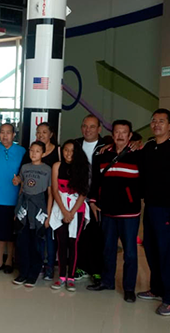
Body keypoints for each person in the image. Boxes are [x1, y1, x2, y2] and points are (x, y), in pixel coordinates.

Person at [138, 109, 170, 316]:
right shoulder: (150, 146)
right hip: (150, 207)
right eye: (154, 121)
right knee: (151, 250)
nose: (156, 124)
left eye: (161, 121)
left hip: (169, 209)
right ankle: (157, 289)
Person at [86, 120, 142, 303]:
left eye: (124, 132)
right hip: (108, 211)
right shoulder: (102, 154)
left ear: (130, 135)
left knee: (130, 253)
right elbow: (95, 181)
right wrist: (93, 202)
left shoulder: (138, 154)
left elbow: (146, 180)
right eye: (117, 132)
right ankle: (107, 281)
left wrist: (134, 196)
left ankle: (129, 288)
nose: (120, 135)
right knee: (108, 249)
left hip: (129, 213)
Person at [49, 140, 91, 292]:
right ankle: (61, 276)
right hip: (60, 208)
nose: (68, 154)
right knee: (62, 243)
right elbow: (55, 190)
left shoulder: (83, 168)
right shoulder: (57, 166)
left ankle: (71, 277)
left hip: (76, 210)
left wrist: (72, 212)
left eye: (72, 151)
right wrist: (64, 211)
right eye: (66, 150)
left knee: (73, 243)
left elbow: (83, 193)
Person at [0, 123, 26, 274]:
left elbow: (26, 172)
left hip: (14, 197)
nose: (5, 135)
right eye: (2, 132)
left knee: (11, 232)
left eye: (8, 132)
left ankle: (10, 261)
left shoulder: (21, 150)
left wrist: (20, 180)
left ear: (14, 134)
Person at [12, 141, 53, 287]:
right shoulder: (25, 167)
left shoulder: (48, 169)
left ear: (43, 153)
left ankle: (33, 274)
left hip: (39, 208)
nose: (34, 153)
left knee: (37, 243)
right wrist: (17, 211)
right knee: (22, 242)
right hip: (25, 207)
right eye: (32, 150)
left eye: (37, 151)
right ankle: (23, 272)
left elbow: (50, 193)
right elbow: (22, 189)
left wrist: (47, 214)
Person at [74, 115, 108, 284]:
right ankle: (80, 266)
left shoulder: (106, 147)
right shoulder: (76, 145)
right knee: (79, 233)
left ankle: (96, 269)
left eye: (92, 126)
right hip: (77, 198)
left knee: (96, 234)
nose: (88, 130)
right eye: (85, 126)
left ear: (99, 129)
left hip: (97, 199)